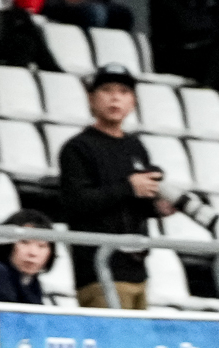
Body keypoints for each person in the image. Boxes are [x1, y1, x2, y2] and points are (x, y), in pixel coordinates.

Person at [58, 64, 172, 311]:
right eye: (107, 90)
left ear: (133, 102)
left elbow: (133, 204)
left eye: (123, 91)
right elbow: (76, 203)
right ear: (91, 99)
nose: (115, 97)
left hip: (137, 268)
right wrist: (129, 187)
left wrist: (157, 207)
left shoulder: (136, 147)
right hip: (99, 270)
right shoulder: (77, 148)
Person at [150, 0, 219, 90]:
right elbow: (186, 26)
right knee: (218, 51)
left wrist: (212, 30)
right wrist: (214, 29)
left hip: (202, 54)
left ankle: (211, 91)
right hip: (174, 55)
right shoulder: (165, 2)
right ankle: (207, 88)